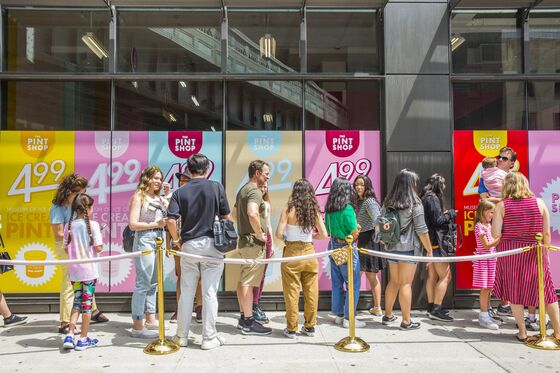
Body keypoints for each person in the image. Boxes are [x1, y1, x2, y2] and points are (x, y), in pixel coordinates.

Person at [168, 154, 231, 350]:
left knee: (186, 292)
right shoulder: (216, 187)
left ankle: (181, 337)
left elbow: (171, 220)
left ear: (188, 169)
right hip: (213, 245)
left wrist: (177, 240)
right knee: (210, 292)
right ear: (207, 169)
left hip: (189, 246)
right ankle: (208, 338)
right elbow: (226, 215)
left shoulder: (180, 192)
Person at [491, 172, 560, 342]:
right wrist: (546, 253)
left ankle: (522, 332)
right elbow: (545, 233)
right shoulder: (540, 203)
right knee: (547, 291)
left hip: (511, 253)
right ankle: (558, 332)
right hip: (536, 252)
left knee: (515, 292)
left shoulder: (502, 205)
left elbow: (495, 234)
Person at [50, 174, 108, 335]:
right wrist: (80, 234)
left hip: (77, 245)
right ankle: (65, 321)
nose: (82, 195)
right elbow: (58, 233)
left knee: (86, 275)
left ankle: (93, 310)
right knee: (70, 281)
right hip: (66, 247)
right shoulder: (58, 207)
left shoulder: (77, 205)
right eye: (80, 192)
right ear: (70, 192)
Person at [276, 179, 328, 338]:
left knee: (291, 293)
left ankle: (291, 329)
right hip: (310, 253)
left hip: (292, 253)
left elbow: (278, 233)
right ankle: (310, 327)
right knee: (311, 292)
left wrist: (288, 239)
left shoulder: (288, 209)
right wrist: (312, 235)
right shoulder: (314, 210)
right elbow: (324, 234)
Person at [381, 169, 432, 330]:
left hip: (390, 247)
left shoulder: (388, 201)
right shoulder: (414, 203)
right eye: (414, 182)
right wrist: (429, 250)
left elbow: (379, 222)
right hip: (408, 249)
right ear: (410, 184)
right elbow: (421, 229)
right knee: (405, 284)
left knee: (393, 282)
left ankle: (388, 315)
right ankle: (406, 321)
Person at [128, 166, 168, 338]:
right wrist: (156, 225)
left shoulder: (159, 198)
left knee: (154, 282)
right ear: (147, 178)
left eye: (160, 178)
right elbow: (133, 224)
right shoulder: (139, 196)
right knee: (143, 283)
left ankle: (150, 319)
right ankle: (137, 326)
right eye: (155, 178)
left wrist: (166, 196)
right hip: (144, 239)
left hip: (160, 239)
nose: (158, 181)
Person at [233, 160, 272, 335]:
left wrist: (246, 230)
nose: (268, 176)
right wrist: (259, 234)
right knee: (248, 282)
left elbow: (234, 215)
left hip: (244, 241)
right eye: (266, 173)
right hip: (253, 244)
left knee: (243, 280)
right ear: (256, 173)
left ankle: (243, 318)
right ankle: (249, 322)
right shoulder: (255, 191)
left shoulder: (242, 190)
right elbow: (252, 213)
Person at [62, 193, 104, 351]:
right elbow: (99, 248)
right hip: (89, 272)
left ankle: (70, 334)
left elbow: (66, 248)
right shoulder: (93, 225)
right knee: (87, 306)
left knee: (77, 303)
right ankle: (83, 338)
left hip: (74, 272)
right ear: (87, 208)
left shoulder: (69, 226)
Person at [478, 147, 517, 318]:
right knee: (493, 265)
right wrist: (502, 200)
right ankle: (493, 306)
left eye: (504, 158)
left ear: (512, 163)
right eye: (499, 157)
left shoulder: (516, 179)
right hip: (492, 228)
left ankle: (507, 303)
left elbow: (517, 200)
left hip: (511, 227)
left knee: (510, 265)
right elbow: (483, 199)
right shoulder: (485, 175)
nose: (500, 160)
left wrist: (497, 200)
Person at [325, 178, 363, 329]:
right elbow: (354, 233)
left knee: (337, 282)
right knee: (352, 283)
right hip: (346, 247)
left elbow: (328, 230)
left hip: (333, 245)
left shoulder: (329, 209)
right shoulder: (347, 209)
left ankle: (339, 315)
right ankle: (349, 318)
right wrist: (357, 230)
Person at [169, 168, 203, 324]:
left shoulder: (200, 195)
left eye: (185, 180)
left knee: (201, 276)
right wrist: (171, 241)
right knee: (181, 275)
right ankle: (180, 308)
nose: (182, 182)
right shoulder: (175, 196)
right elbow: (168, 221)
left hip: (197, 240)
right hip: (178, 241)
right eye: (181, 180)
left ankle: (200, 308)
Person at [420, 174, 455, 322]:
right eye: (443, 184)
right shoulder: (433, 198)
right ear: (438, 185)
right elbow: (437, 221)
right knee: (446, 276)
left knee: (432, 276)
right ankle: (436, 309)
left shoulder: (423, 198)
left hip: (429, 242)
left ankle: (431, 307)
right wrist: (450, 214)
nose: (445, 187)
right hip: (437, 242)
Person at [353, 175, 385, 317]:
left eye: (362, 185)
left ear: (367, 186)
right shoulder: (359, 202)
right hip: (362, 239)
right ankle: (375, 307)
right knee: (361, 275)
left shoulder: (369, 201)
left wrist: (380, 238)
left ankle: (377, 307)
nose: (359, 187)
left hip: (370, 240)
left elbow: (378, 220)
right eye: (356, 185)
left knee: (368, 275)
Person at [473, 200, 501, 330]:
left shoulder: (489, 226)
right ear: (483, 211)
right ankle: (483, 316)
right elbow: (486, 245)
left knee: (489, 287)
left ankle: (487, 314)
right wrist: (499, 238)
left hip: (491, 260)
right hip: (484, 261)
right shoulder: (480, 226)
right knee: (484, 288)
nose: (492, 215)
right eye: (491, 212)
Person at [252, 182, 274, 324]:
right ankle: (252, 304)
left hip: (267, 237)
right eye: (261, 186)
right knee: (254, 273)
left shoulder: (267, 203)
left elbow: (268, 224)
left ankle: (256, 302)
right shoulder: (252, 202)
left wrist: (271, 245)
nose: (264, 188)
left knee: (262, 274)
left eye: (266, 186)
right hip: (255, 237)